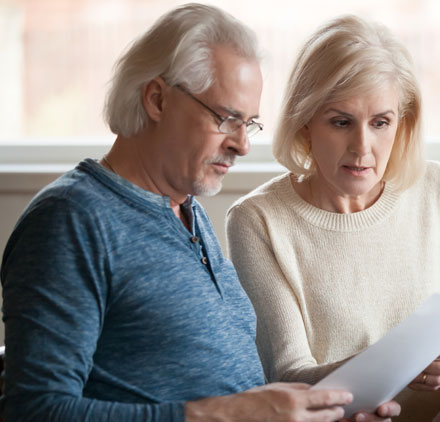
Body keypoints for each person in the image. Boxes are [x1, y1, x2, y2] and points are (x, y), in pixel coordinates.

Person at [0, 5, 399, 422]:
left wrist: (333, 401)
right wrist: (222, 415)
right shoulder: (71, 221)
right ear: (157, 99)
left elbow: (236, 396)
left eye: (250, 124)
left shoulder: (187, 210)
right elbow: (35, 410)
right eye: (227, 119)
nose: (242, 145)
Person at [226, 15, 440, 420]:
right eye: (341, 122)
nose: (362, 147)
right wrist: (394, 363)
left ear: (402, 124)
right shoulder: (257, 220)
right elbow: (291, 377)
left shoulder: (435, 189)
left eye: (381, 122)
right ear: (305, 123)